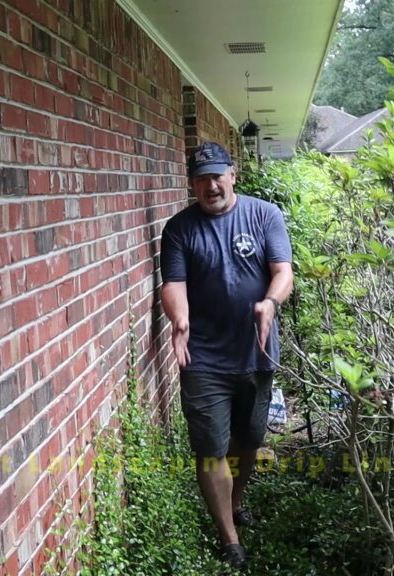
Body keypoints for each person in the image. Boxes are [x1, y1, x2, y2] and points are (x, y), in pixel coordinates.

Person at [160, 142, 294, 570]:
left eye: (217, 175)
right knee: (211, 450)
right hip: (203, 359)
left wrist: (269, 303)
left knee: (249, 439)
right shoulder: (179, 228)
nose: (211, 185)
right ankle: (229, 538)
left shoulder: (264, 215)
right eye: (201, 178)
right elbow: (173, 283)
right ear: (191, 183)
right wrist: (179, 321)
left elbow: (283, 271)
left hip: (255, 352)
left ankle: (236, 500)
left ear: (233, 174)